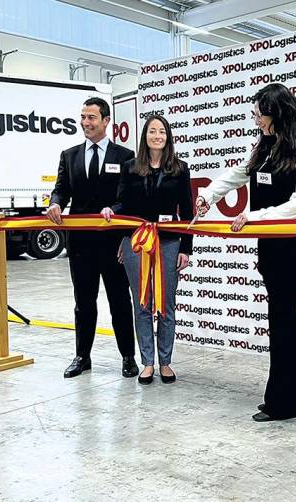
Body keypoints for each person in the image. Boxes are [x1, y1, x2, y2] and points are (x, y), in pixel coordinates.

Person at [196, 83, 296, 422]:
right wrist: (208, 195)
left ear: (277, 113)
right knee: (285, 317)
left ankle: (284, 402)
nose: (256, 121)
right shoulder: (266, 146)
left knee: (282, 317)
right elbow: (240, 174)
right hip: (271, 244)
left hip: (295, 244)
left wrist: (255, 217)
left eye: (259, 115)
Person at [47, 97, 139, 379]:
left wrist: (117, 211)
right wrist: (56, 203)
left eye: (92, 118)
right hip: (81, 244)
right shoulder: (69, 155)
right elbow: (61, 188)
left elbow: (129, 198)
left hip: (113, 244)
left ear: (106, 121)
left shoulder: (124, 156)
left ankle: (128, 357)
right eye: (83, 117)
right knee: (83, 301)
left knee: (119, 301)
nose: (86, 123)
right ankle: (82, 356)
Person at [100, 115, 193, 385]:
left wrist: (186, 248)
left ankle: (165, 362)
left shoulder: (180, 168)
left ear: (168, 137)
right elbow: (122, 204)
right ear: (145, 137)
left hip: (168, 243)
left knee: (165, 304)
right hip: (136, 243)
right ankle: (147, 363)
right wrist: (111, 213)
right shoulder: (130, 167)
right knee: (141, 304)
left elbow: (186, 212)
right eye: (152, 131)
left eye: (161, 131)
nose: (157, 136)